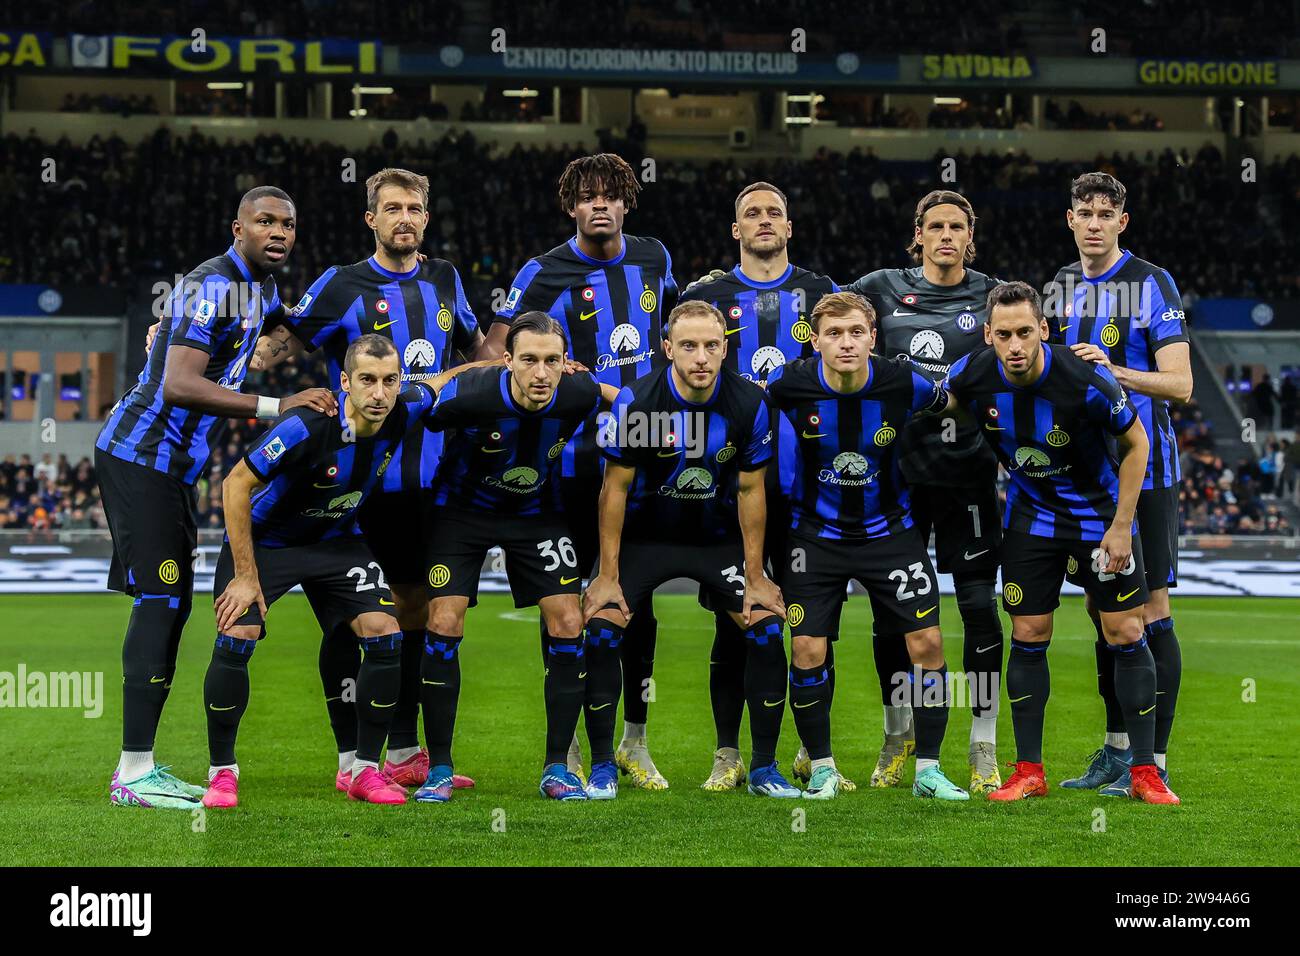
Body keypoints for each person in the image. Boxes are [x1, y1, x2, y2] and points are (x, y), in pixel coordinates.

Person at [231, 168, 487, 792]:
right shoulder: (342, 284)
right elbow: (278, 346)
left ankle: (402, 751)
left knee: (418, 616)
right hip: (363, 491)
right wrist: (202, 357)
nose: (406, 217)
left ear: (426, 217)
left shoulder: (446, 279)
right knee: (362, 622)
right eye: (393, 208)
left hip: (436, 486)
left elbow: (481, 352)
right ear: (370, 218)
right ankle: (355, 757)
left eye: (416, 208)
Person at [96, 186, 336, 809]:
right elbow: (178, 384)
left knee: (169, 605)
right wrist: (276, 403)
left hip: (173, 468)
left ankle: (140, 765)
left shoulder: (259, 290)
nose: (278, 232)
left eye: (288, 223)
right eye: (265, 221)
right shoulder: (213, 285)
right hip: (139, 456)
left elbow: (288, 327)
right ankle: (131, 775)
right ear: (238, 229)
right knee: (159, 600)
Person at [201, 336, 480, 807]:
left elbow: (442, 380)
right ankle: (221, 773)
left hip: (335, 540)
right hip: (269, 544)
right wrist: (245, 575)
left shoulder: (406, 408)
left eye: (389, 381)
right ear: (345, 382)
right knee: (238, 635)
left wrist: (505, 362)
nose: (379, 393)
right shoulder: (307, 424)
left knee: (385, 631)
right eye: (367, 381)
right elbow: (235, 484)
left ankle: (364, 771)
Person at [484, 153, 679, 789]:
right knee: (562, 605)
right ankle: (566, 744)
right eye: (587, 196)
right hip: (567, 465)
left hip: (645, 457)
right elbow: (495, 351)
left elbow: (676, 331)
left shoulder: (654, 257)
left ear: (627, 202)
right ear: (571, 206)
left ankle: (634, 740)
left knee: (636, 605)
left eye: (611, 195)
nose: (600, 205)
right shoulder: (542, 273)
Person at [944, 281, 1178, 805]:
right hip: (1031, 523)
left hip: (1098, 519)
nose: (1015, 345)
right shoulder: (972, 374)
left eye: (1026, 332)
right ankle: (1029, 771)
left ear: (1044, 331)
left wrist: (1121, 526)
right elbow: (937, 404)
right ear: (988, 336)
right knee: (1028, 632)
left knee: (1125, 630)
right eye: (1003, 335)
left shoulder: (1085, 378)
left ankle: (1144, 771)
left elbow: (1137, 442)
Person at [583, 300, 794, 798]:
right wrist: (607, 574)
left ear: (726, 348)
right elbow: (613, 490)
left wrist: (757, 574)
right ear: (667, 349)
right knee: (601, 627)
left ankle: (761, 768)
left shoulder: (748, 403)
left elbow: (750, 492)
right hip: (647, 536)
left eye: (712, 346)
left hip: (713, 538)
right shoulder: (637, 401)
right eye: (689, 346)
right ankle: (602, 766)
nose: (701, 357)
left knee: (764, 628)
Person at [412, 312, 620, 802]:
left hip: (536, 514)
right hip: (462, 514)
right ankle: (439, 766)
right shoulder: (474, 396)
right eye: (529, 360)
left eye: (553, 361)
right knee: (444, 620)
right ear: (508, 361)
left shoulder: (578, 392)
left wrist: (599, 382)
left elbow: (630, 404)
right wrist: (456, 372)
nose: (541, 373)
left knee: (569, 621)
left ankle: (557, 768)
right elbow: (420, 401)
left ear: (567, 363)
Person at [769, 291, 968, 801]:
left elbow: (953, 402)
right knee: (808, 648)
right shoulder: (788, 387)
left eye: (856, 332)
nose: (846, 343)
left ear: (872, 338)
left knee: (927, 645)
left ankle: (928, 769)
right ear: (816, 341)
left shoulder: (903, 382)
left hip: (891, 534)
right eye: (834, 333)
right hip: (814, 538)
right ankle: (822, 770)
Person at [676, 181, 841, 791]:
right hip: (726, 486)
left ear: (790, 227)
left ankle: (810, 752)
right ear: (736, 230)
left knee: (814, 623)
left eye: (775, 211)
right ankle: (728, 754)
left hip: (808, 486)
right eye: (752, 213)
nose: (765, 220)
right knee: (733, 621)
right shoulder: (706, 297)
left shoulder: (823, 294)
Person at [846, 190, 1007, 793]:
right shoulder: (881, 288)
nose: (946, 235)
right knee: (894, 619)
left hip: (967, 480)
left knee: (976, 611)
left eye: (957, 227)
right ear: (918, 234)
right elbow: (828, 322)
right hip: (896, 481)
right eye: (935, 226)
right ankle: (899, 734)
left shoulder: (993, 297)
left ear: (971, 236)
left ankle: (983, 742)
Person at [1046, 172, 1193, 797]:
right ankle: (1116, 751)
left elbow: (1180, 384)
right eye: (1086, 211)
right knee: (1104, 614)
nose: (1096, 222)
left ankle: (1151, 761)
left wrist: (1112, 373)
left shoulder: (1151, 282)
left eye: (1108, 212)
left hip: (1147, 473)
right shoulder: (1059, 288)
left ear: (1122, 222)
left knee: (1151, 611)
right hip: (1087, 479)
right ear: (1071, 220)